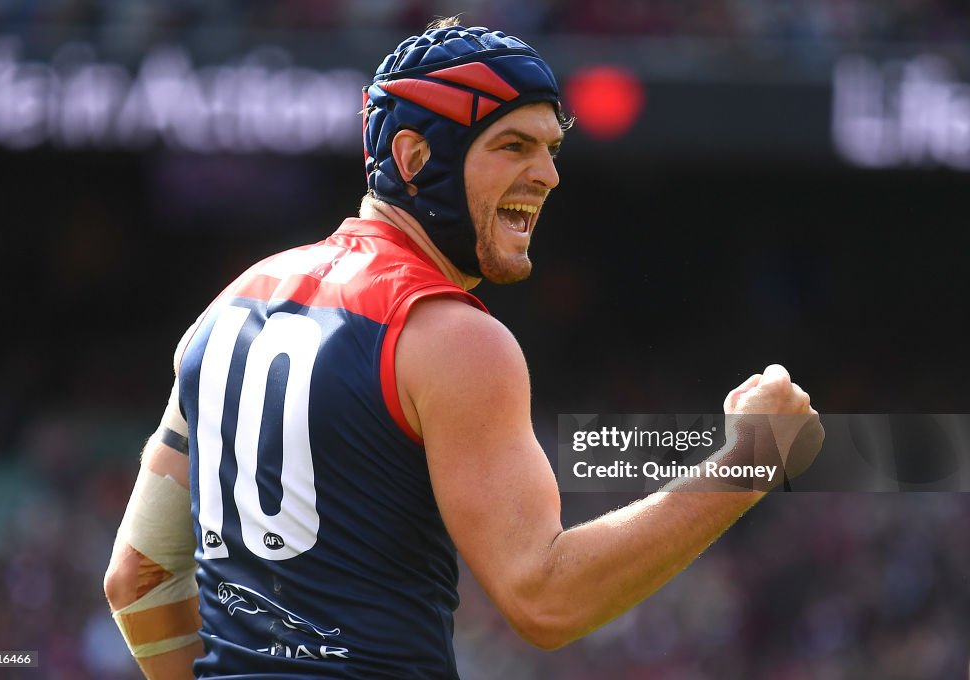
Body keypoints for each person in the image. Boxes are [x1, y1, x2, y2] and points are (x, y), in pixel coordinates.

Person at [104, 17, 823, 679]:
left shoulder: (229, 308)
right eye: (513, 144)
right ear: (414, 156)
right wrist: (750, 460)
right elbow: (547, 599)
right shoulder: (453, 338)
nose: (547, 174)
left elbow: (135, 578)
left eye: (551, 147)